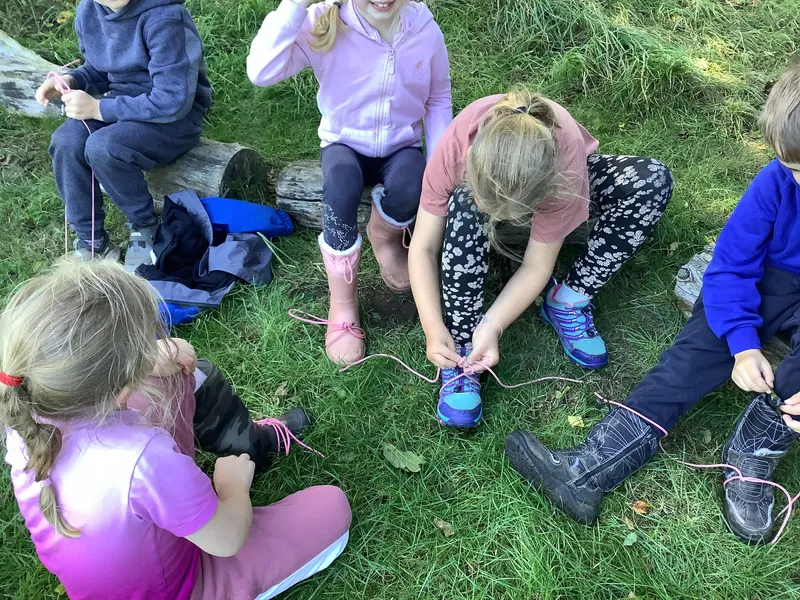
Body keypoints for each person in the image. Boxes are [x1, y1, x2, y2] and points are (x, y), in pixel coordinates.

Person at [504, 66, 800, 544]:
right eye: (793, 170)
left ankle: (757, 448)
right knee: (693, 355)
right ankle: (589, 468)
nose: (798, 181)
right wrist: (744, 346)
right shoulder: (775, 183)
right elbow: (731, 266)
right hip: (773, 278)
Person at [1, 260, 352, 599]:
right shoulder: (143, 460)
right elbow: (227, 539)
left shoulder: (28, 411)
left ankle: (248, 447)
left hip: (126, 560)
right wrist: (230, 486)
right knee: (331, 506)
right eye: (144, 342)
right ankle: (234, 470)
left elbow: (163, 366)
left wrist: (153, 356)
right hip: (183, 587)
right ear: (118, 382)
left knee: (177, 374)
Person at [408, 90, 673, 428]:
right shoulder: (456, 148)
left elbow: (536, 264)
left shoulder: (564, 167)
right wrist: (434, 329)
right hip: (489, 184)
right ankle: (462, 345)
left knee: (652, 180)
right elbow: (422, 247)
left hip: (553, 177)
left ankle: (567, 299)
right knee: (463, 204)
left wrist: (493, 325)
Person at [247, 0, 452, 365]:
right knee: (340, 188)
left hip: (400, 145)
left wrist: (439, 164)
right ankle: (343, 304)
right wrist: (295, 6)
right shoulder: (324, 23)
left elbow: (437, 97)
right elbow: (261, 71)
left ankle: (384, 237)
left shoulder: (424, 30)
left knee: (413, 184)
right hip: (344, 143)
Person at [35, 0, 211, 271]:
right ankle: (92, 243)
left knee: (104, 146)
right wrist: (71, 81)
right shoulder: (89, 12)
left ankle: (146, 227)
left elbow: (173, 100)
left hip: (176, 118)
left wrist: (99, 108)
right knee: (66, 141)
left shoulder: (164, 17)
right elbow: (100, 70)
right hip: (123, 106)